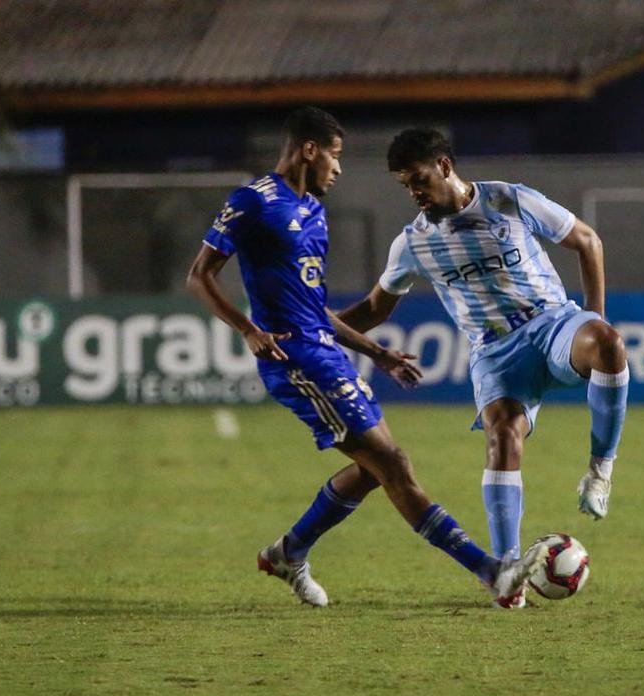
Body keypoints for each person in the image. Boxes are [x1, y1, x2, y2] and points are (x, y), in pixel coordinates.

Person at [185, 108, 546, 609]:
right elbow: (199, 276)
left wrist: (377, 351)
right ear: (310, 149)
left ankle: (290, 552)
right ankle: (491, 573)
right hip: (294, 357)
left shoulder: (313, 211)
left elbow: (315, 310)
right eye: (336, 156)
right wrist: (248, 329)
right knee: (393, 464)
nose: (339, 168)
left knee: (375, 469)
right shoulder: (254, 202)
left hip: (324, 352)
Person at [338, 128, 629, 564]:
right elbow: (374, 309)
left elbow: (587, 241)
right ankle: (507, 570)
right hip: (496, 352)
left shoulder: (509, 200)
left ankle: (600, 472)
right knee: (503, 439)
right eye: (406, 186)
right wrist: (312, 327)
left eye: (419, 179)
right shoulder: (413, 242)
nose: (414, 192)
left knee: (607, 342)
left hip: (552, 324)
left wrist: (594, 315)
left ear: (444, 167)